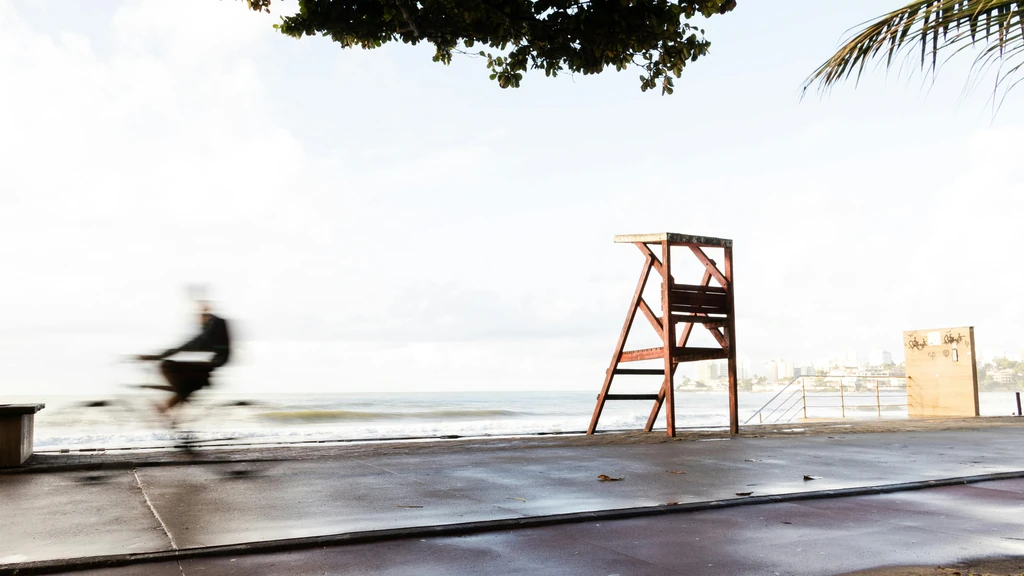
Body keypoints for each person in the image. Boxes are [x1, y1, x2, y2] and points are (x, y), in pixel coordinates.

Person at [137, 293, 231, 416]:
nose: (200, 321)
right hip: (212, 364)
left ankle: (173, 402)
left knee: (168, 367)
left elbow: (184, 347)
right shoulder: (209, 336)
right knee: (182, 386)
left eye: (202, 318)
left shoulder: (212, 332)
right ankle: (170, 408)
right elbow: (183, 347)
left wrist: (154, 357)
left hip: (213, 364)